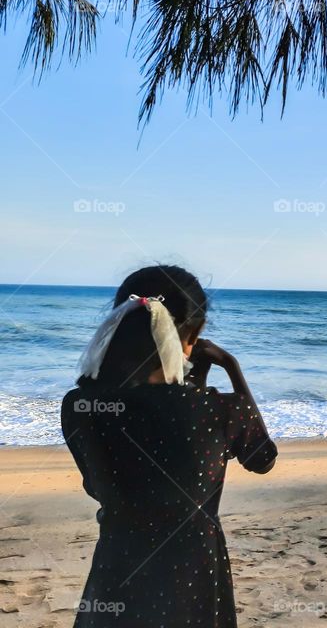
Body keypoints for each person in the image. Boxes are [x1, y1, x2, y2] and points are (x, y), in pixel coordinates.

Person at [61, 265, 278, 628]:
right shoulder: (217, 410)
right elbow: (263, 458)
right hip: (193, 581)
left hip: (117, 574)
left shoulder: (81, 407)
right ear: (196, 332)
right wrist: (231, 367)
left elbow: (97, 487)